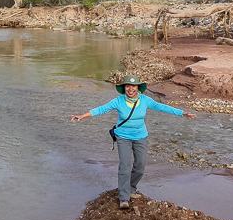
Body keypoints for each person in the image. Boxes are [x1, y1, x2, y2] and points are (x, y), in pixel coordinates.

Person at [70, 74, 195, 209]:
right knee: (125, 165)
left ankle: (131, 188)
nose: (130, 89)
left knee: (140, 166)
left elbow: (162, 107)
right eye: (128, 86)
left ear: (138, 87)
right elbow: (101, 109)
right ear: (124, 88)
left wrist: (182, 113)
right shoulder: (118, 101)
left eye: (133, 86)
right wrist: (82, 116)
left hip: (141, 136)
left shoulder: (145, 100)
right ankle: (124, 197)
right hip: (123, 137)